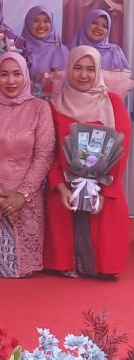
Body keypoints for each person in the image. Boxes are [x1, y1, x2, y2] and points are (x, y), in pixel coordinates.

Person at [44, 46, 131, 278]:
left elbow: (121, 151)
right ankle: (66, 262)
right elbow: (48, 153)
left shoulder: (112, 103)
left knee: (103, 243)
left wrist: (105, 192)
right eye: (77, 68)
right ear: (69, 69)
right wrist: (61, 187)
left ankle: (97, 266)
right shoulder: (55, 105)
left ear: (98, 71)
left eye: (90, 69)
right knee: (60, 213)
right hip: (64, 189)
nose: (83, 75)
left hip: (104, 188)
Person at [0, 52, 54, 277]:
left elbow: (44, 155)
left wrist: (21, 195)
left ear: (25, 75)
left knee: (21, 270)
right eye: (4, 74)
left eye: (16, 74)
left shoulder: (39, 108)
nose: (11, 80)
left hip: (26, 200)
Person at [22, 6, 68, 80]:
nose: (41, 25)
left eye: (46, 21)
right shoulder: (19, 49)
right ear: (28, 23)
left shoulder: (60, 51)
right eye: (36, 20)